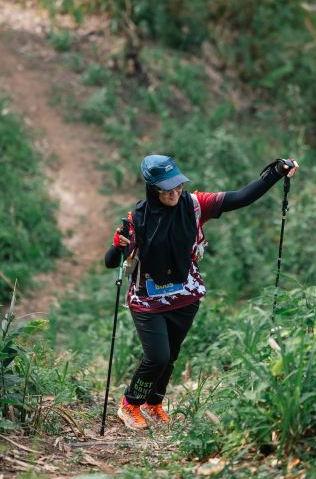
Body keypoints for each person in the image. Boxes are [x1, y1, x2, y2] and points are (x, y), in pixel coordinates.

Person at [104, 154, 299, 431]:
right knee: (157, 357)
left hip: (185, 295)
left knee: (170, 356)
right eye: (166, 188)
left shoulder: (195, 205)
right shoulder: (137, 220)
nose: (174, 192)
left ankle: (154, 403)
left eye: (178, 185)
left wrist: (276, 172)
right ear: (152, 188)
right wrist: (117, 245)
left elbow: (241, 198)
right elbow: (111, 262)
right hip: (147, 300)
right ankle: (130, 404)